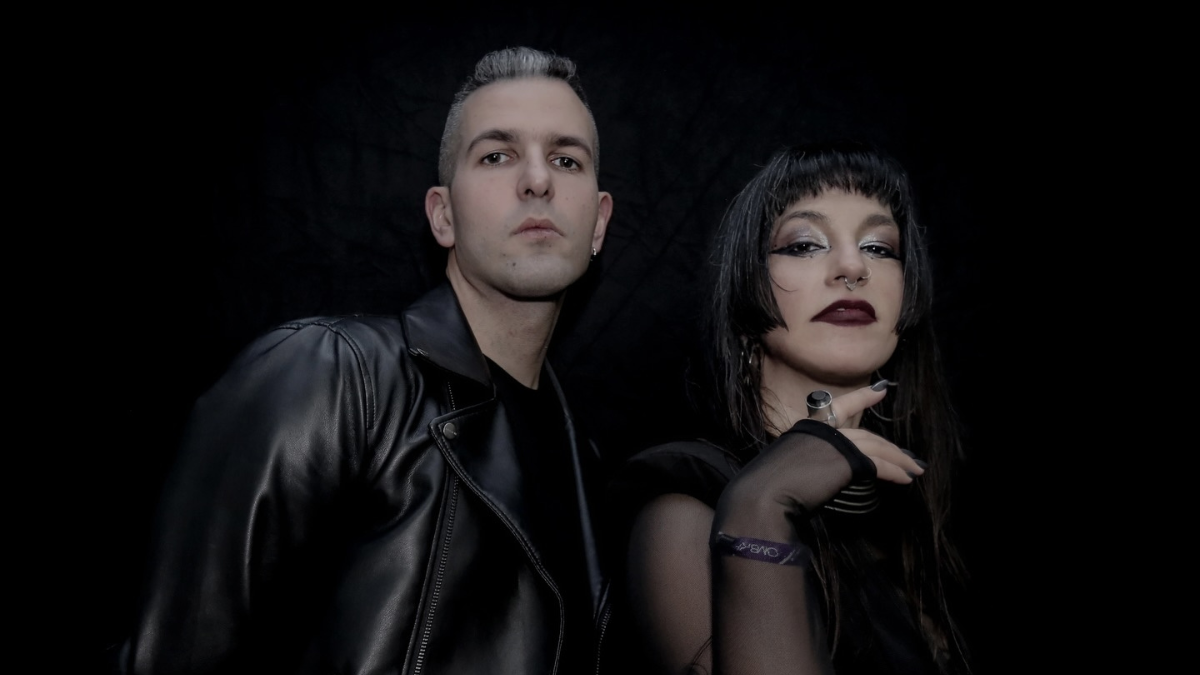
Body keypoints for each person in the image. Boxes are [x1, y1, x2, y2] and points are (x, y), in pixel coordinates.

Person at [116, 46, 614, 674]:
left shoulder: (587, 461)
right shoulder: (334, 374)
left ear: (598, 225)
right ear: (443, 216)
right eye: (496, 155)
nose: (538, 180)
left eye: (566, 160)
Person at [605, 143, 970, 674]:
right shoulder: (684, 510)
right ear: (745, 298)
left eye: (879, 247)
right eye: (803, 244)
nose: (852, 267)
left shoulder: (924, 520)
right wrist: (762, 504)